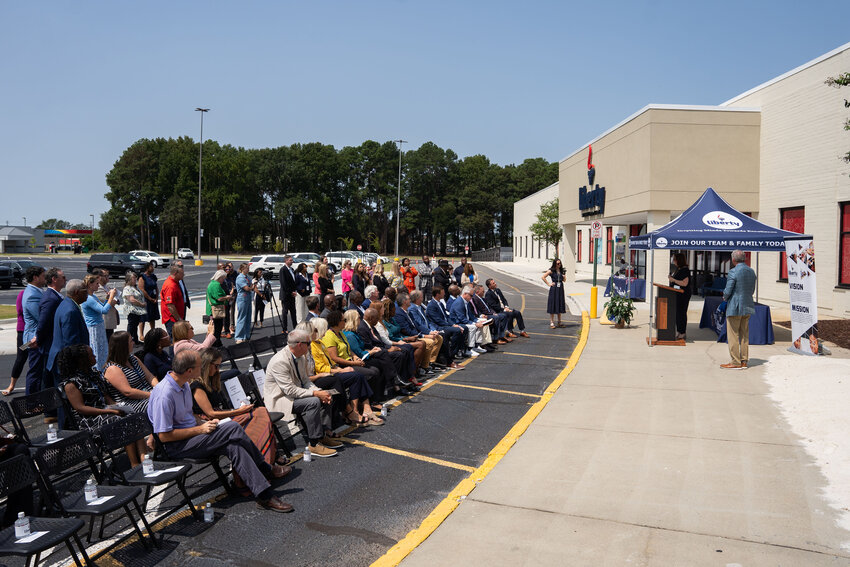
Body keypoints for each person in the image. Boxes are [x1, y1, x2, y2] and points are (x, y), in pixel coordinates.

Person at [148, 350, 293, 513]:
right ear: (189, 371)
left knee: (234, 446)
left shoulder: (184, 385)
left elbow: (189, 416)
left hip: (195, 434)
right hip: (177, 445)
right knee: (232, 427)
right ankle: (266, 467)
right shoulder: (165, 394)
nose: (201, 367)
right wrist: (200, 428)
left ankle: (264, 495)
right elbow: (164, 436)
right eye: (199, 365)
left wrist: (203, 422)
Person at [57, 344, 148, 465]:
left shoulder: (93, 374)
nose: (95, 356)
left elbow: (106, 396)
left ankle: (144, 459)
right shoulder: (71, 384)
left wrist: (117, 406)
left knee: (132, 415)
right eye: (91, 355)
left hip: (106, 410)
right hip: (89, 420)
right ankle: (134, 463)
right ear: (81, 361)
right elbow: (80, 408)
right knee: (122, 422)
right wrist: (109, 411)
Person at [193, 348, 283, 467]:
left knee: (260, 412)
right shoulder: (197, 386)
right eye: (216, 366)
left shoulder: (211, 379)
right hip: (208, 421)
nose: (218, 370)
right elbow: (210, 413)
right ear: (207, 364)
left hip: (219, 415)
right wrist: (238, 411)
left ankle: (267, 456)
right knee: (255, 418)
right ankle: (266, 459)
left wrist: (239, 409)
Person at [264, 330, 341, 457]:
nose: (310, 345)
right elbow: (289, 390)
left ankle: (323, 434)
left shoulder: (301, 356)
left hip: (293, 395)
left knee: (325, 394)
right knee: (314, 401)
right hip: (281, 399)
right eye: (308, 343)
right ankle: (314, 443)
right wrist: (315, 394)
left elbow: (305, 381)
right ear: (300, 344)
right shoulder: (280, 361)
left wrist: (320, 392)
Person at [307, 318, 383, 427]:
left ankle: (362, 409)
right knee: (356, 376)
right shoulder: (313, 346)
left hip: (332, 370)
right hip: (324, 375)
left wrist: (341, 368)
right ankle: (354, 412)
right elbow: (321, 368)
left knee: (358, 376)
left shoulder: (321, 343)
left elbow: (331, 362)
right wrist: (342, 370)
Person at [104, 331, 159, 414]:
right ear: (123, 346)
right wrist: (152, 395)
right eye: (131, 341)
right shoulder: (113, 369)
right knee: (161, 402)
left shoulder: (133, 359)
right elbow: (128, 392)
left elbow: (150, 376)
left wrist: (159, 389)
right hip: (132, 403)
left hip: (148, 394)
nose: (133, 343)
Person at [46, 279, 89, 379]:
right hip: (66, 364)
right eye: (85, 290)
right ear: (77, 292)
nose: (87, 293)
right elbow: (71, 342)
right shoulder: (70, 311)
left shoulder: (67, 304)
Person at [721, 250, 757, 370]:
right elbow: (752, 290)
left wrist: (725, 297)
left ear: (733, 259)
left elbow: (728, 289)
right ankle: (744, 361)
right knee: (744, 335)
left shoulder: (733, 271)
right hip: (747, 305)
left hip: (735, 306)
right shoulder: (751, 271)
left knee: (733, 335)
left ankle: (735, 361)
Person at [82, 273, 118, 371]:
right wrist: (111, 297)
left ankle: (102, 369)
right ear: (90, 284)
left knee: (102, 351)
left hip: (98, 326)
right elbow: (104, 311)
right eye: (97, 284)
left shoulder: (93, 296)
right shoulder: (88, 298)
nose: (98, 286)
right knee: (97, 351)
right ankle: (98, 371)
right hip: (93, 327)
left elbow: (102, 307)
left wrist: (107, 299)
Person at [423, 287, 467, 366]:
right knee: (456, 331)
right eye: (442, 293)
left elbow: (446, 317)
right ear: (437, 294)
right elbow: (438, 320)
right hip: (439, 326)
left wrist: (453, 324)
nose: (444, 294)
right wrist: (451, 326)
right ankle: (450, 355)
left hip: (445, 324)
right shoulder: (431, 306)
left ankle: (456, 351)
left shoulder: (440, 304)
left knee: (463, 328)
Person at [21, 266, 45, 396]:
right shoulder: (31, 295)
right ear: (35, 277)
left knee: (39, 371)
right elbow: (41, 317)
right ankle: (31, 403)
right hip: (34, 339)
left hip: (36, 338)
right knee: (35, 371)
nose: (45, 278)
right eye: (43, 275)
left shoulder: (37, 291)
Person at [449, 285, 487, 357]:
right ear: (465, 294)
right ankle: (469, 349)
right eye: (471, 295)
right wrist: (474, 323)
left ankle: (476, 345)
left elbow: (471, 315)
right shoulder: (459, 302)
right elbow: (461, 318)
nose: (472, 297)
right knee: (473, 327)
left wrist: (476, 321)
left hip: (465, 320)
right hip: (458, 322)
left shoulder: (466, 301)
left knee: (481, 322)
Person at [4, 287, 27, 395]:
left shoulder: (39, 293)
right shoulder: (22, 294)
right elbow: (20, 310)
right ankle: (11, 385)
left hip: (34, 334)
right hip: (23, 333)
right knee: (21, 357)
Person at [668, 252, 692, 340]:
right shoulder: (679, 269)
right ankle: (679, 331)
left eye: (674, 259)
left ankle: (682, 332)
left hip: (683, 295)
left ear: (679, 260)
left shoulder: (685, 270)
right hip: (677, 294)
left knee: (681, 313)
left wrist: (673, 280)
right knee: (678, 313)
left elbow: (684, 283)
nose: (673, 261)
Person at [94, 269, 120, 341]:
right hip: (104, 321)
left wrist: (115, 298)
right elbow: (111, 303)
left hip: (110, 320)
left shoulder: (107, 287)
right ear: (99, 277)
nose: (108, 277)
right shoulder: (97, 288)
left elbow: (115, 300)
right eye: (105, 276)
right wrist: (113, 297)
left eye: (108, 275)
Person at [161, 265, 186, 338]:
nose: (183, 275)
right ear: (175, 273)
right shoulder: (170, 286)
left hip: (175, 317)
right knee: (175, 339)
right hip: (172, 318)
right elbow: (170, 305)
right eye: (182, 273)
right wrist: (178, 319)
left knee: (178, 338)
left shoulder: (176, 283)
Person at [122, 271, 147, 345]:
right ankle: (127, 341)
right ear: (129, 279)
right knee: (131, 325)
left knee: (135, 325)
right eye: (133, 278)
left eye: (135, 278)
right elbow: (131, 299)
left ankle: (135, 340)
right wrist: (141, 304)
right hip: (132, 310)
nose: (135, 279)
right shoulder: (127, 288)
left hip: (138, 310)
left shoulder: (135, 287)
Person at [206, 269, 229, 347]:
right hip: (216, 309)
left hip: (212, 309)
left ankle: (217, 343)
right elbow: (219, 298)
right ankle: (216, 344)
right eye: (223, 278)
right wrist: (227, 297)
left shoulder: (212, 283)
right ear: (219, 277)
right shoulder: (216, 285)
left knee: (216, 328)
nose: (223, 280)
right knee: (217, 329)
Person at [542, 258, 567, 328]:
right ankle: (552, 322)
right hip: (554, 288)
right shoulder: (551, 270)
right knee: (553, 304)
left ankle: (559, 322)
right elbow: (543, 277)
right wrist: (549, 284)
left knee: (559, 304)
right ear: (555, 264)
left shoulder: (562, 271)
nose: (559, 265)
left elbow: (564, 280)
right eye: (558, 263)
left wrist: (564, 277)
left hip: (560, 289)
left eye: (560, 263)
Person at [233, 263, 254, 343]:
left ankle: (246, 335)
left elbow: (251, 286)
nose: (248, 270)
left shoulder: (247, 277)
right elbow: (247, 288)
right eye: (246, 268)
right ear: (242, 269)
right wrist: (251, 287)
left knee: (248, 317)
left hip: (248, 297)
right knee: (242, 317)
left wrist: (251, 287)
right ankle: (239, 336)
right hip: (242, 297)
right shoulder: (240, 278)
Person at [139, 262, 159, 340]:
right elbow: (141, 289)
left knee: (152, 317)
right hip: (145, 299)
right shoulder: (142, 277)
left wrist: (157, 297)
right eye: (151, 267)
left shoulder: (153, 276)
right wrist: (149, 298)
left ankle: (152, 332)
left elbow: (156, 287)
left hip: (153, 298)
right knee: (143, 317)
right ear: (147, 268)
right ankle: (141, 334)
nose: (153, 268)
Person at [278, 255, 298, 331]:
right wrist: (290, 292)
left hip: (292, 295)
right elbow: (284, 283)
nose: (292, 261)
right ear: (286, 261)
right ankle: (284, 328)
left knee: (293, 312)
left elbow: (293, 282)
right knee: (285, 312)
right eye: (290, 260)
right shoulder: (283, 270)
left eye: (292, 260)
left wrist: (295, 291)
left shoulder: (292, 269)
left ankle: (295, 327)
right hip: (286, 295)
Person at [222, 262, 237, 338]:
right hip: (224, 297)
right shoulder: (223, 277)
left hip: (231, 295)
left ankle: (231, 326)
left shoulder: (231, 276)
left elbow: (232, 285)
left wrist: (232, 291)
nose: (229, 270)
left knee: (231, 311)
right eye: (227, 268)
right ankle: (225, 327)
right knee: (225, 313)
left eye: (230, 268)